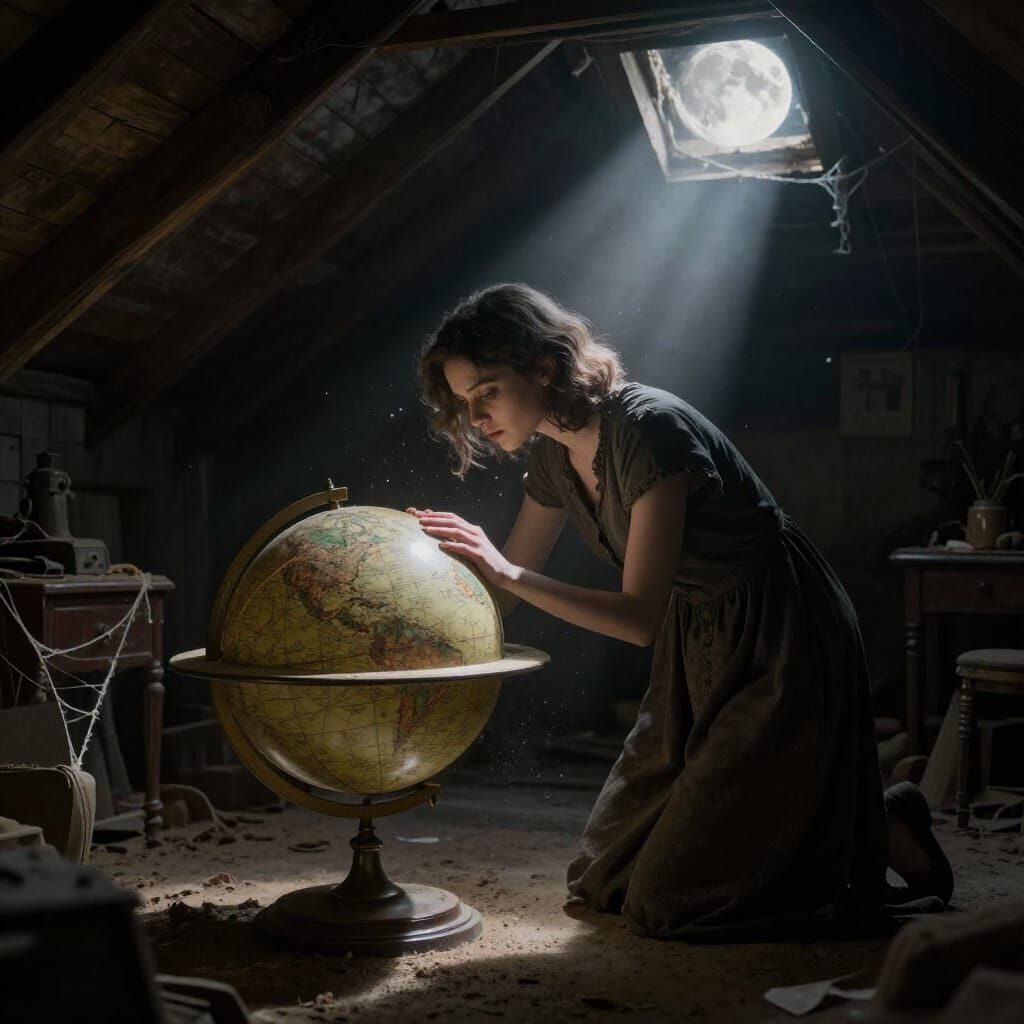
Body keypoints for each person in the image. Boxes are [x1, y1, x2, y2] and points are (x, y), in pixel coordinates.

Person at [408, 282, 952, 941]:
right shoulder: (553, 458)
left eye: (487, 390)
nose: (477, 415)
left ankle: (870, 823)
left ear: (543, 367)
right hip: (696, 641)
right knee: (602, 880)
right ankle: (857, 809)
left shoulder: (648, 429)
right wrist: (415, 617)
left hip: (781, 633)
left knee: (670, 902)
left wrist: (505, 569)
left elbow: (635, 617)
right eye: (466, 401)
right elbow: (505, 591)